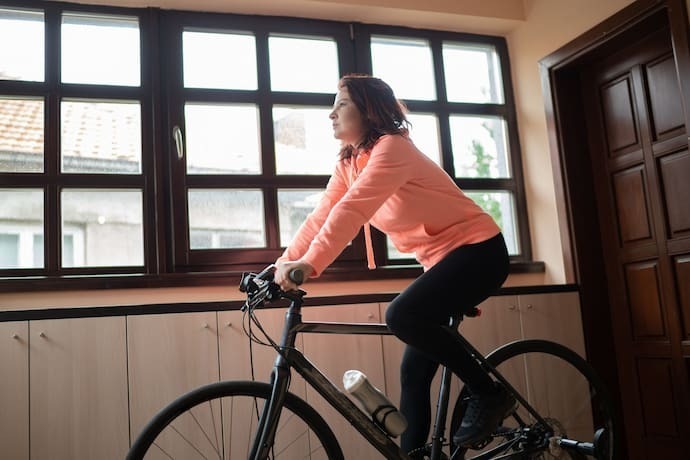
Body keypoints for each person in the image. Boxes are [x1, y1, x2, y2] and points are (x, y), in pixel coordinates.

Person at [274, 74, 515, 454]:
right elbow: (322, 216)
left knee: (401, 317)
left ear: (368, 111)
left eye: (342, 104)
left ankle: (489, 392)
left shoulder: (392, 148)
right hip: (443, 264)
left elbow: (351, 213)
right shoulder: (350, 163)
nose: (331, 114)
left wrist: (309, 265)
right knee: (413, 374)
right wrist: (282, 264)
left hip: (479, 251)